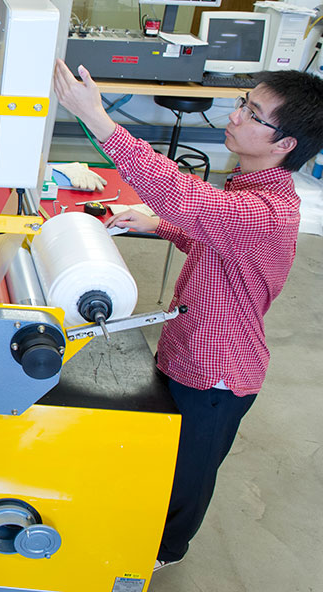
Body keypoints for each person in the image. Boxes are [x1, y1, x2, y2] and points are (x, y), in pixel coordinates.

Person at [53, 59, 323, 571]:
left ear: (285, 143)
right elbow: (210, 233)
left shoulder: (270, 210)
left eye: (253, 113)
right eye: (244, 103)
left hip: (218, 373)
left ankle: (164, 552)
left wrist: (102, 123)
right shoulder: (249, 189)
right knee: (163, 454)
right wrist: (158, 226)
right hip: (187, 350)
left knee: (188, 473)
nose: (236, 115)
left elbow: (192, 203)